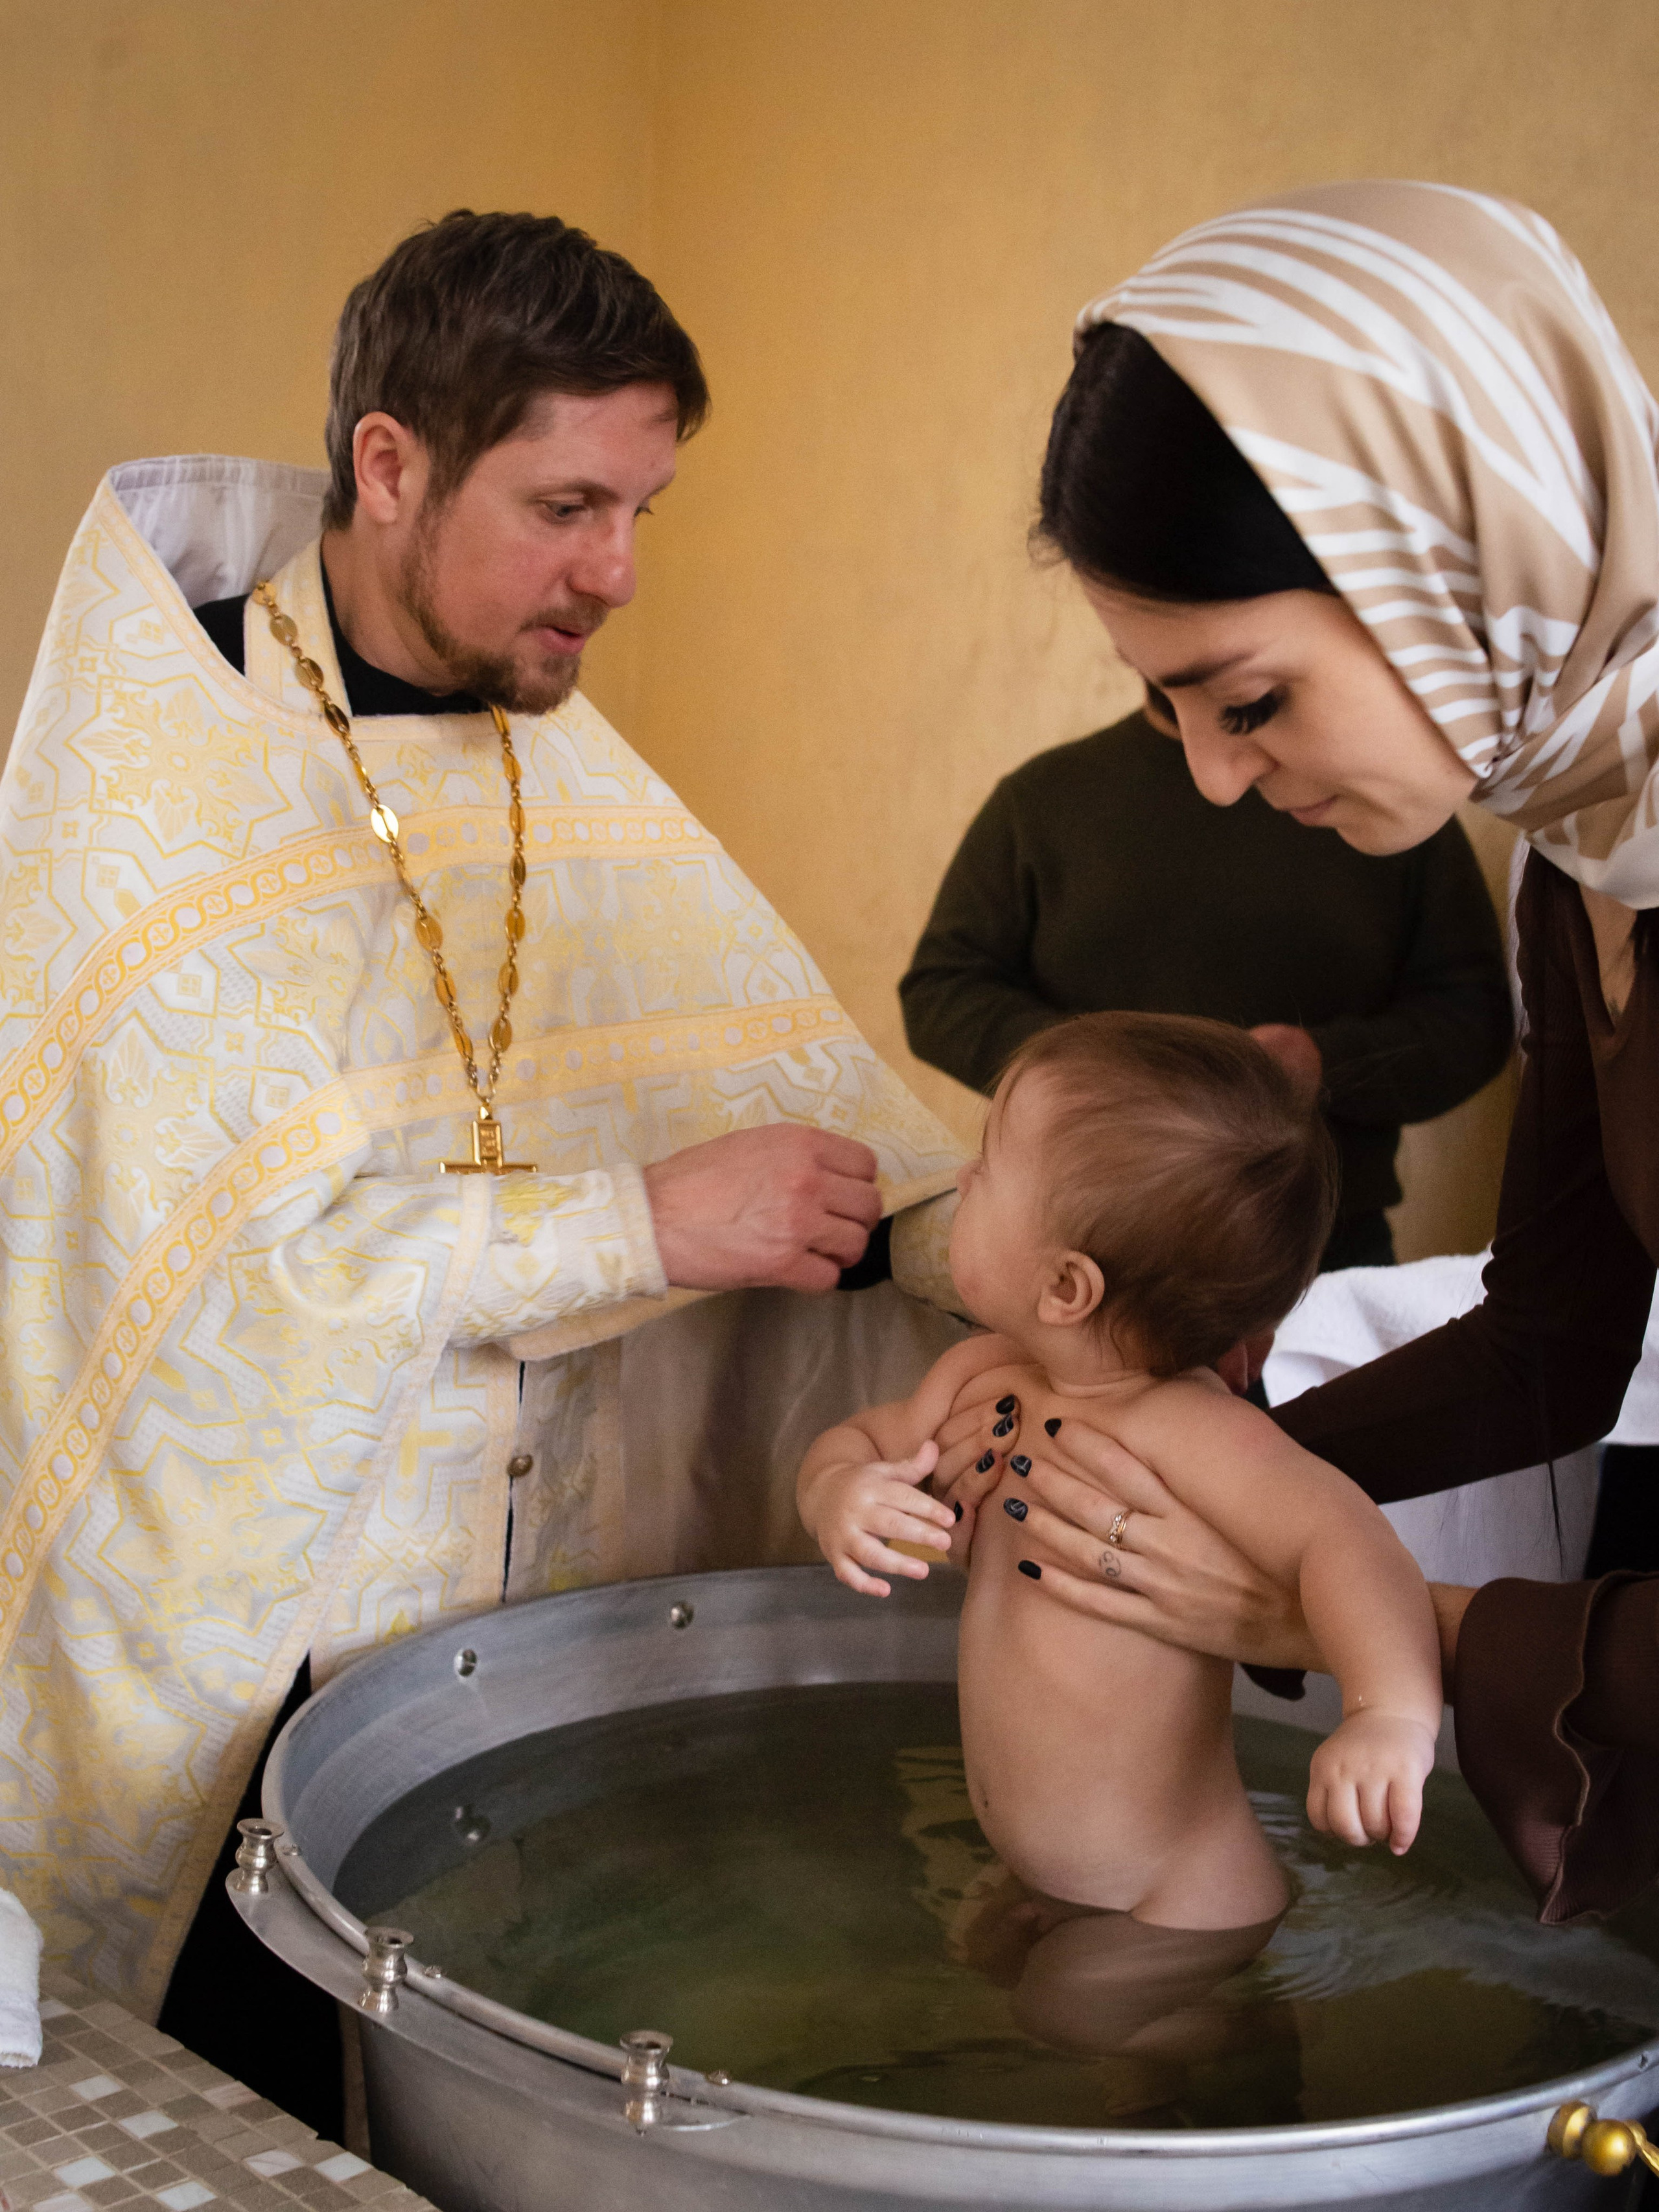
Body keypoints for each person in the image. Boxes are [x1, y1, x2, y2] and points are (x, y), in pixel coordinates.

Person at [0, 211, 993, 2102]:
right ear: (388, 464)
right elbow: (196, 1283)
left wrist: (1009, 1240)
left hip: (517, 1634)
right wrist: (634, 1221)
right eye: (565, 507)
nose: (614, 571)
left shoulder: (555, 753)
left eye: (640, 509)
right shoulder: (161, 774)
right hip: (251, 1665)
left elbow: (785, 1103)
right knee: (252, 2124)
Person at [952, 180, 1659, 1937]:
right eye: (1166, 710)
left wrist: (1376, 1625)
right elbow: (1557, 1337)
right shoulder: (1581, 862)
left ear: (1459, 555)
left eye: (1248, 700)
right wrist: (1187, 1450)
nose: (1210, 776)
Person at [798, 1012, 1442, 2038]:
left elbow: (1348, 1541)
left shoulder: (1192, 1432)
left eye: (987, 1167)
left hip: (1176, 1898)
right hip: (1061, 1880)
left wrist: (1388, 1713)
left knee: (1064, 2021)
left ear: (1066, 1285)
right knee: (990, 1976)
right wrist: (841, 1492)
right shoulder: (980, 1376)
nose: (961, 1177)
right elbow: (857, 1442)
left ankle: (1225, 2073)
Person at [899, 687, 1513, 1273]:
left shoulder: (1381, 793)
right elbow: (941, 990)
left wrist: (1322, 1063)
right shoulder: (1042, 800)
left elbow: (1476, 1016)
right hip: (1085, 1241)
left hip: (1323, 1246)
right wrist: (1097, 1074)